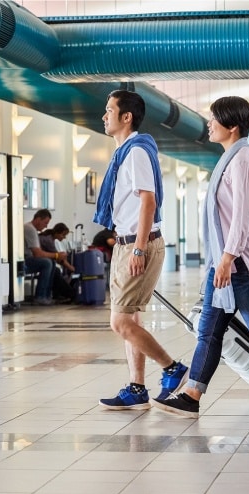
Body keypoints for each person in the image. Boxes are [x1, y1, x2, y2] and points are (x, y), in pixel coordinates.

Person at [152, 96, 249, 419]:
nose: (209, 124)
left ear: (232, 126)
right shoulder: (231, 160)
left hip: (240, 266)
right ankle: (192, 396)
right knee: (209, 331)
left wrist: (226, 258)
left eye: (214, 119)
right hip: (225, 264)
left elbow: (241, 218)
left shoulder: (243, 162)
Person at [94, 89, 188, 410]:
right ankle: (137, 388)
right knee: (131, 320)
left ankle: (172, 368)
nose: (104, 116)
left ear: (126, 117)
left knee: (119, 323)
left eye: (109, 110)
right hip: (128, 242)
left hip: (139, 244)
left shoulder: (135, 153)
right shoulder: (126, 152)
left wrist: (137, 250)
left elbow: (148, 201)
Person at [24, 209, 68, 306]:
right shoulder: (30, 229)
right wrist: (57, 255)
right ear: (38, 219)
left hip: (28, 258)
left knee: (51, 263)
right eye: (45, 223)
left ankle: (47, 296)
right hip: (24, 261)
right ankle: (40, 296)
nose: (46, 226)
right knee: (47, 263)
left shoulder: (33, 230)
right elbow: (38, 254)